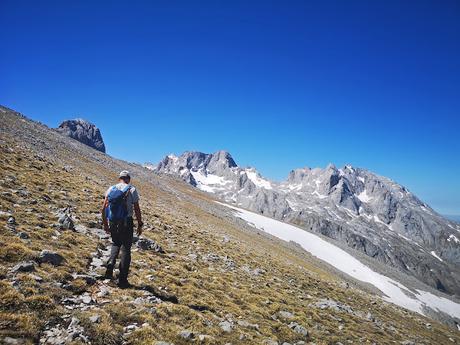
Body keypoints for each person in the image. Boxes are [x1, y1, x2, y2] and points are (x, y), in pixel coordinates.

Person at [101, 170, 143, 288]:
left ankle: (110, 267)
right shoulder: (131, 189)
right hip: (126, 222)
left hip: (113, 221)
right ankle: (122, 280)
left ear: (119, 178)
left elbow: (103, 208)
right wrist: (140, 224)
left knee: (115, 243)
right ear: (128, 179)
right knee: (126, 249)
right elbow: (137, 209)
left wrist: (105, 224)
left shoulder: (111, 189)